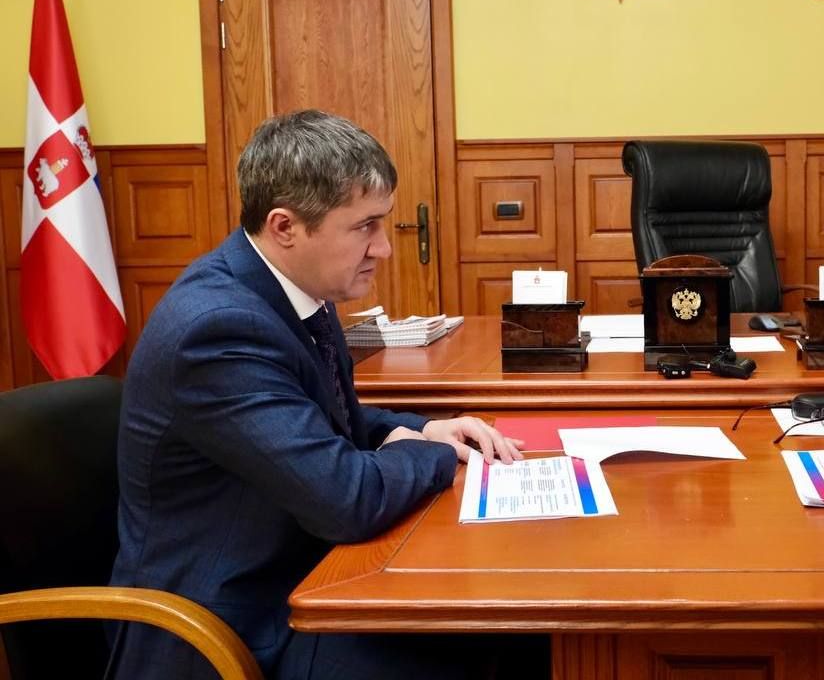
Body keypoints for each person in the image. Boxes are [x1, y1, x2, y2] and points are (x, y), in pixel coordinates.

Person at [109, 110, 536, 679]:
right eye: (365, 227)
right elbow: (346, 499)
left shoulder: (296, 291)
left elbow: (316, 418)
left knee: (506, 625)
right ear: (285, 226)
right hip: (230, 626)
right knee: (491, 638)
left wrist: (423, 428)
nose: (384, 248)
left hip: (302, 576)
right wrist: (436, 455)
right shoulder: (216, 330)